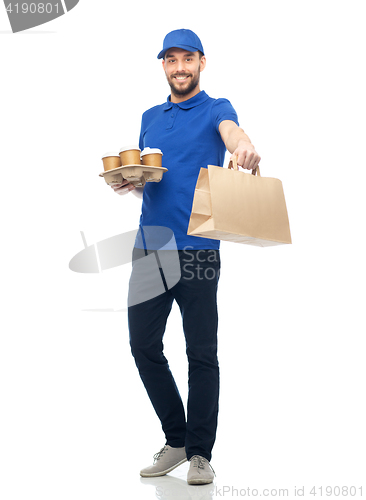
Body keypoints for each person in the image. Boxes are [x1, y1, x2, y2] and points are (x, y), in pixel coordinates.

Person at [111, 29, 261, 485]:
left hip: (198, 248)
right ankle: (176, 438)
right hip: (150, 247)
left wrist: (242, 147)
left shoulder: (217, 108)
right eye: (171, 60)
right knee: (143, 346)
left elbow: (232, 133)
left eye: (188, 59)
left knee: (201, 353)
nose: (180, 67)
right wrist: (131, 182)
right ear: (162, 65)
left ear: (201, 63)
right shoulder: (149, 117)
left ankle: (199, 452)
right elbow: (151, 178)